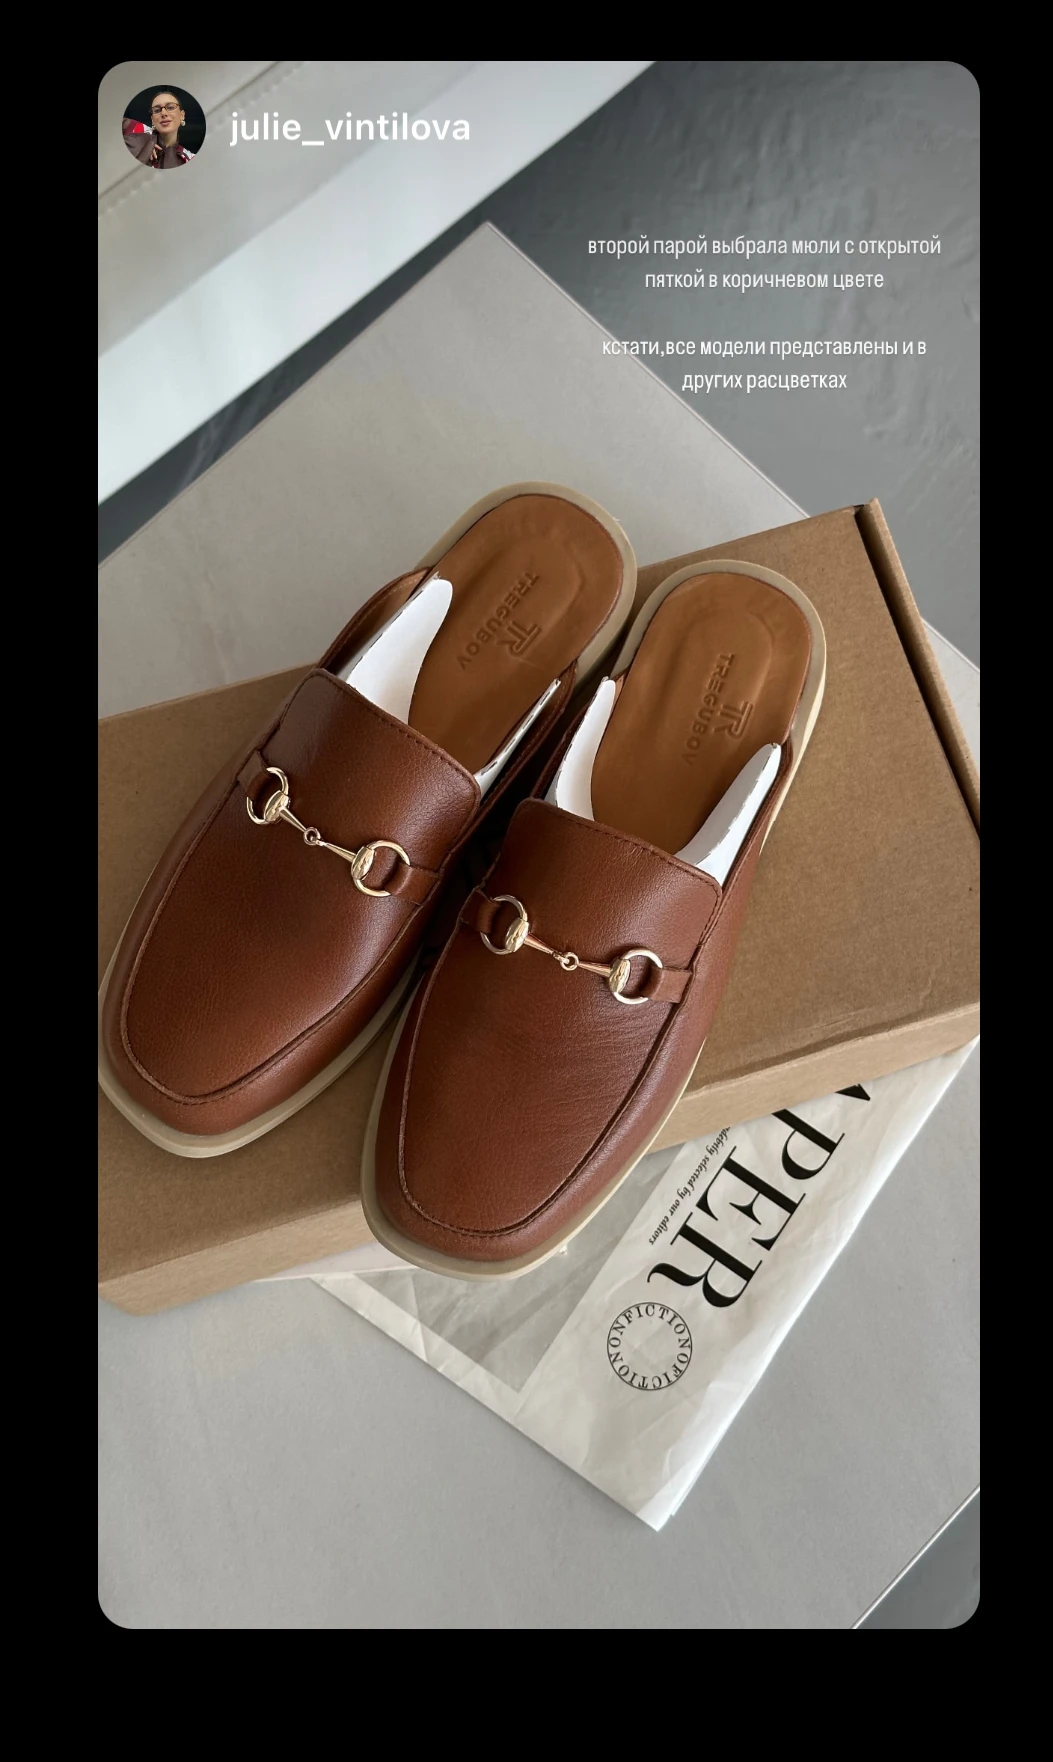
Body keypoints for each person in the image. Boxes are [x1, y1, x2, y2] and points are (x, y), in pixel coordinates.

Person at [123, 91, 195, 170]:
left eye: (170, 107)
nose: (163, 113)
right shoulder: (134, 128)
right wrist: (141, 144)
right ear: (152, 120)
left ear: (182, 115)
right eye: (157, 110)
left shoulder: (191, 159)